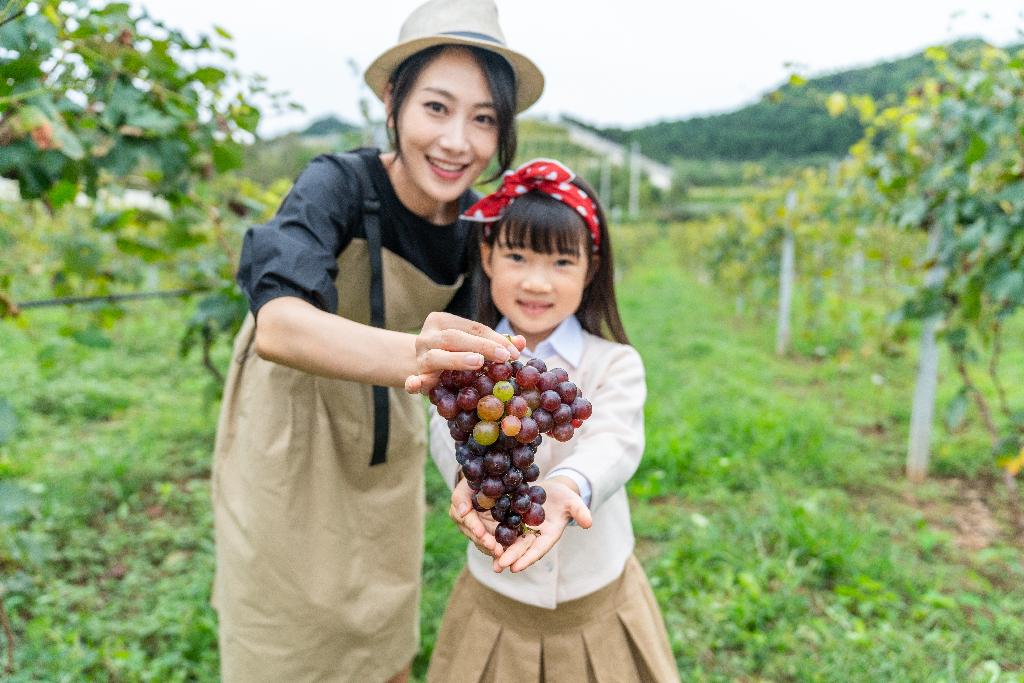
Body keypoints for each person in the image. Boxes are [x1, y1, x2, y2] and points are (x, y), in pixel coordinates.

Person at [209, 1, 544, 681]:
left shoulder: (474, 230)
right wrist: (413, 355)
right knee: (283, 630)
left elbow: (478, 382)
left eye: (483, 119)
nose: (458, 141)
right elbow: (278, 323)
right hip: (290, 435)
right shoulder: (337, 184)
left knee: (383, 632)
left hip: (385, 441)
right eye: (437, 107)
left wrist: (482, 478)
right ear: (394, 102)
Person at [426, 159, 680, 682]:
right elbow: (444, 429)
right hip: (497, 603)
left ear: (591, 269)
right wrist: (464, 477)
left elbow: (616, 439)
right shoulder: (468, 362)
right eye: (517, 256)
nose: (537, 282)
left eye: (562, 262)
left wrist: (568, 486)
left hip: (598, 601)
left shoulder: (614, 363)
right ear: (487, 257)